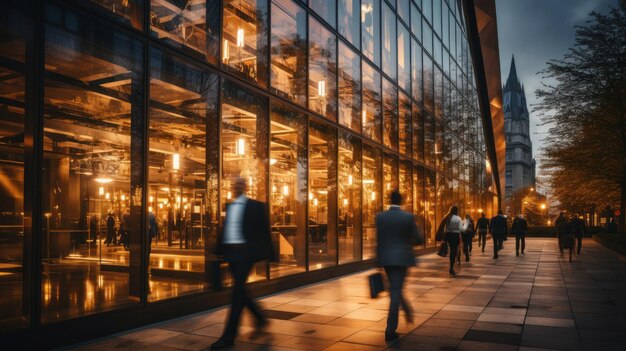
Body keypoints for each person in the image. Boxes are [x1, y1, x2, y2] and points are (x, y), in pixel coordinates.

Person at [211, 177, 273, 350]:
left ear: (245, 187)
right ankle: (260, 319)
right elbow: (226, 229)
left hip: (245, 255)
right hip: (231, 254)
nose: (235, 187)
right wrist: (219, 252)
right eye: (234, 185)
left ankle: (228, 336)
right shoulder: (229, 206)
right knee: (241, 291)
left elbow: (264, 232)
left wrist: (270, 254)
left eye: (239, 184)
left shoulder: (256, 206)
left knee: (237, 294)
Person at [376, 190, 423, 341]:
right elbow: (418, 239)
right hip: (402, 259)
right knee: (396, 291)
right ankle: (390, 330)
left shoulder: (380, 217)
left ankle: (407, 309)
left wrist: (378, 260)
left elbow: (378, 240)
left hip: (386, 259)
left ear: (389, 200)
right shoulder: (408, 217)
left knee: (395, 289)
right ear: (402, 201)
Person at [436, 205, 465, 277]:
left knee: (450, 249)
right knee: (453, 251)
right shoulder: (458, 218)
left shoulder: (447, 216)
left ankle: (450, 265)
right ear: (457, 211)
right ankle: (451, 268)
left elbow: (442, 226)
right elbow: (461, 229)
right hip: (455, 236)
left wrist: (440, 235)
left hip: (447, 235)